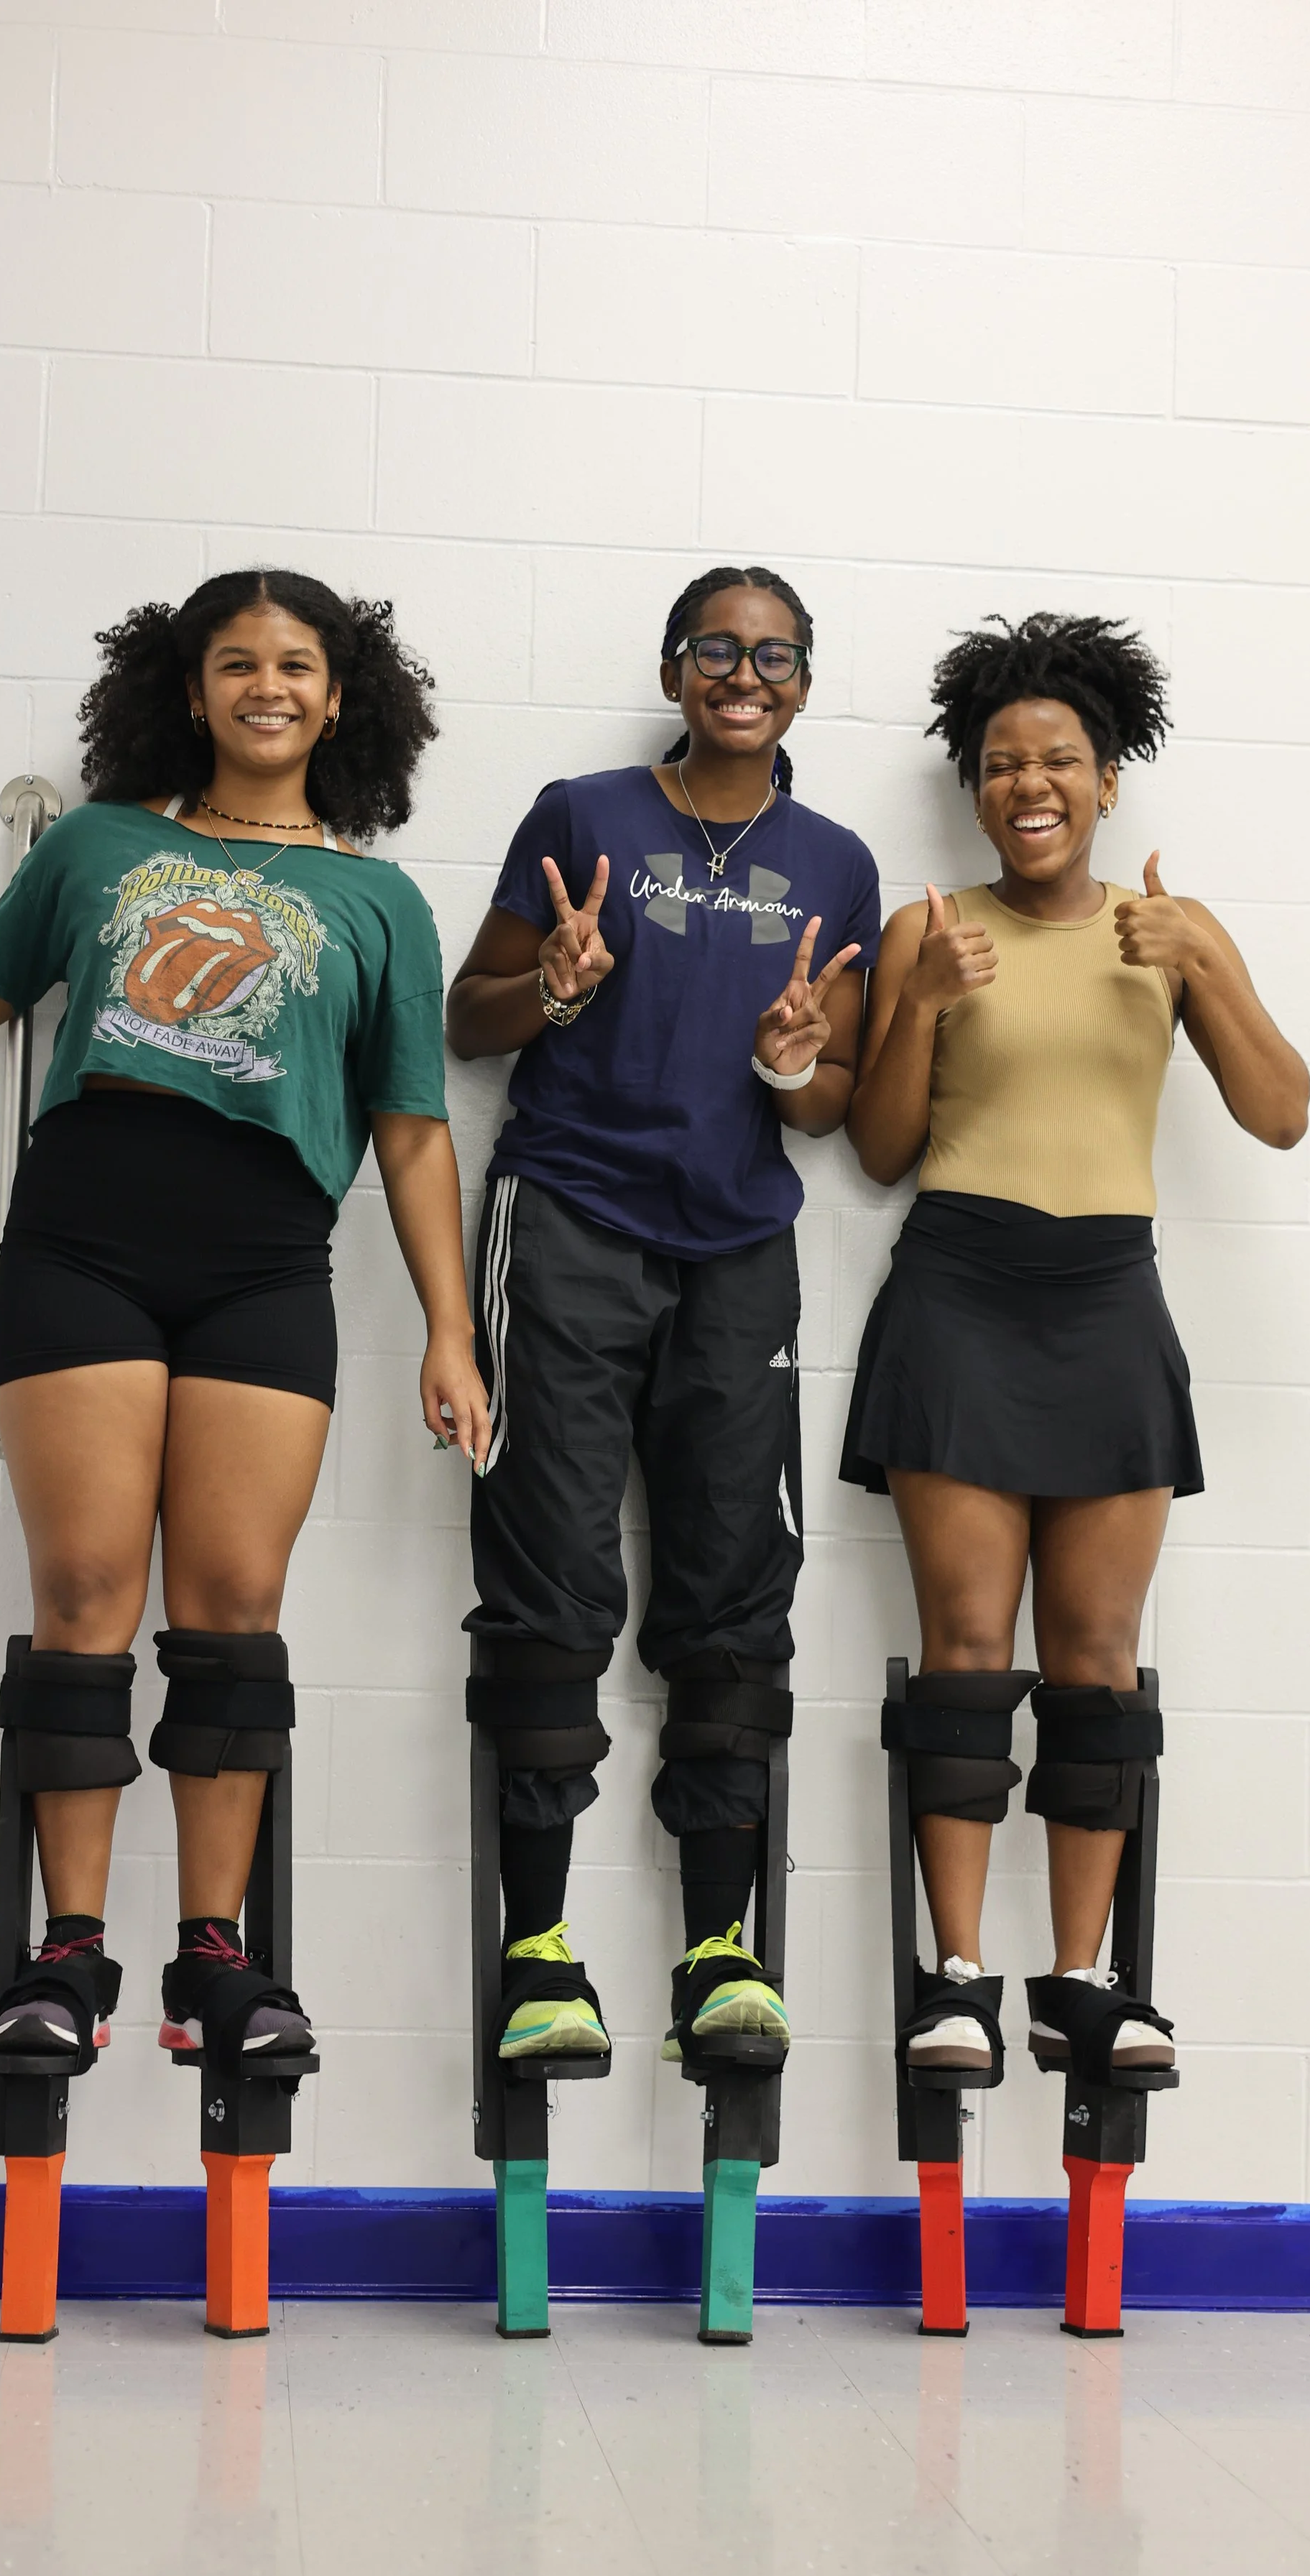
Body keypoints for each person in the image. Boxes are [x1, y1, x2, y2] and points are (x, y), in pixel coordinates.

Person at [0, 568, 487, 2084]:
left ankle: (212, 1957)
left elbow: (415, 1131)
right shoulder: (105, 845)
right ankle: (72, 1951)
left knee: (231, 1605)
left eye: (295, 665)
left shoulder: (379, 899)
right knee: (88, 1589)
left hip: (264, 1260)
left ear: (338, 694)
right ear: (189, 689)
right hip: (84, 1238)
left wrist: (449, 1330)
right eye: (235, 662)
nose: (266, 687)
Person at [841, 611, 1309, 2085]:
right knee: (967, 1658)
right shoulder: (930, 930)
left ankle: (1078, 1979)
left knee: (1096, 1665)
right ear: (971, 788)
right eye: (997, 764)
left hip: (1108, 1299)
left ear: (1107, 780)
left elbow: (1281, 1112)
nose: (1026, 783)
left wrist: (1204, 973)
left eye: (1056, 761)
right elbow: (874, 1147)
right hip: (958, 1294)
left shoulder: (1167, 929)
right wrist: (910, 1006)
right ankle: (957, 1978)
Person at [446, 564, 878, 2073]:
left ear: (804, 685)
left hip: (739, 1248)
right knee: (549, 1576)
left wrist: (787, 1067)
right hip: (565, 1218)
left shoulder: (836, 862)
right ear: (675, 667)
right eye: (716, 649)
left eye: (771, 656)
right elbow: (466, 1017)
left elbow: (829, 1105)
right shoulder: (582, 815)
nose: (741, 674)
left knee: (731, 1585)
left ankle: (717, 1946)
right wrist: (554, 993)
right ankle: (540, 1948)